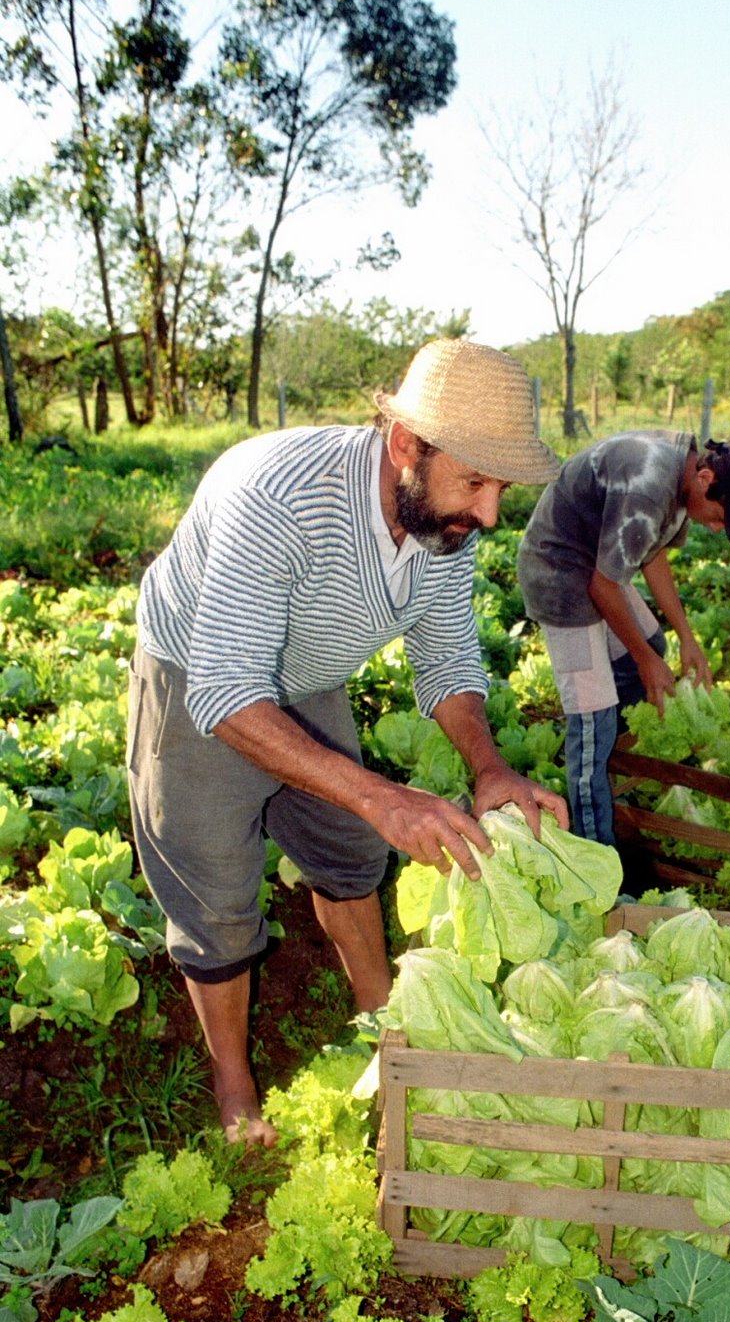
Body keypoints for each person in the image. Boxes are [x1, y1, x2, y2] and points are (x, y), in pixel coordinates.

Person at [127, 338, 567, 1146]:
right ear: (407, 445)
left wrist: (489, 766)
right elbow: (227, 691)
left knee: (352, 853)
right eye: (475, 480)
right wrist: (380, 793)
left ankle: (383, 1022)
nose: (491, 512)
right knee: (219, 899)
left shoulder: (444, 525)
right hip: (198, 672)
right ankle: (234, 1086)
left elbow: (445, 655)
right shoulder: (278, 495)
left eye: (502, 486)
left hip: (306, 671)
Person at [517, 429, 730, 846]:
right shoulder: (651, 485)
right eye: (721, 517)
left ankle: (616, 757)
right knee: (593, 723)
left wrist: (687, 639)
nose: (717, 529)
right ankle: (596, 852)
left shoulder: (685, 475)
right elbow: (603, 587)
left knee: (654, 647)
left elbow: (652, 554)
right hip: (560, 572)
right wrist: (644, 660)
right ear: (707, 481)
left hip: (597, 565)